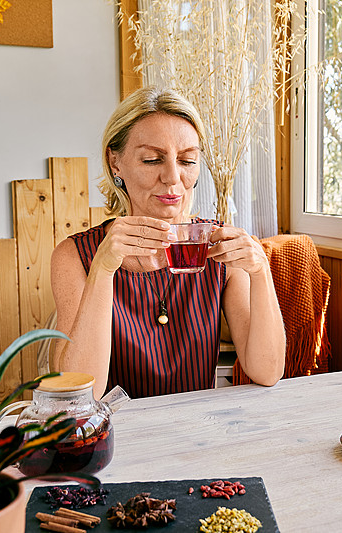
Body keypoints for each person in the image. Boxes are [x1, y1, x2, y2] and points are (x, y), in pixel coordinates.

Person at [50, 86, 286, 399]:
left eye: (187, 161)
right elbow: (79, 393)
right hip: (115, 439)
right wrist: (104, 269)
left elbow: (267, 372)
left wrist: (260, 272)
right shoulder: (75, 255)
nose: (173, 177)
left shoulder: (217, 248)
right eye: (151, 160)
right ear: (115, 162)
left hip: (198, 432)